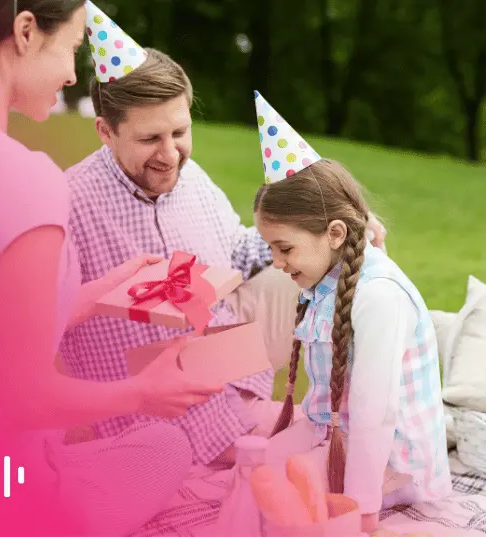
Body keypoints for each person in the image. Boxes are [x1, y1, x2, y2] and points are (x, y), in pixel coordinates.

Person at [59, 2, 388, 467]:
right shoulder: (68, 201)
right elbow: (43, 324)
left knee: (316, 265)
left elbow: (239, 249)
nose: (170, 154)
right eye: (150, 139)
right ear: (105, 132)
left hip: (221, 377)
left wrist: (328, 231)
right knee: (303, 457)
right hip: (139, 405)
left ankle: (364, 399)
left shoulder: (192, 182)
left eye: (180, 131)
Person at [0, 1, 221, 535]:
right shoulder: (22, 178)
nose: (73, 72)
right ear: (25, 32)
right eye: (70, 47)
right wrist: (144, 393)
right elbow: (20, 397)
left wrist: (96, 293)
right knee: (164, 445)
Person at [252, 92, 452, 534]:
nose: (277, 261)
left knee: (286, 483)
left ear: (335, 233)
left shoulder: (379, 295)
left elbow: (374, 414)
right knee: (259, 465)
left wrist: (362, 510)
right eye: (271, 247)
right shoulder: (329, 272)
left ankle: (306, 508)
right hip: (339, 434)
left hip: (389, 461)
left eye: (284, 248)